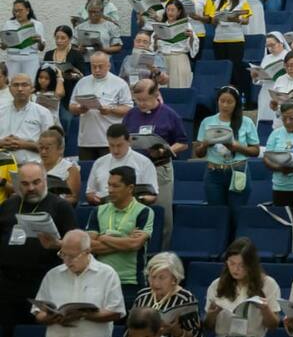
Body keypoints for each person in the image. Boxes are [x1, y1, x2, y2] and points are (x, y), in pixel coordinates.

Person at [0, 163, 77, 337]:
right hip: (7, 285)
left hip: (42, 282)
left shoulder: (60, 206)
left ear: (45, 181)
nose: (31, 188)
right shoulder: (9, 205)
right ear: (18, 184)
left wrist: (57, 244)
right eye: (25, 184)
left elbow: (75, 247)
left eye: (36, 182)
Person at [122, 79, 188, 247]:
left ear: (156, 95)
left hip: (160, 166)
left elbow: (183, 142)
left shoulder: (169, 114)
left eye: (145, 100)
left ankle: (161, 251)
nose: (141, 104)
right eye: (138, 100)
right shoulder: (131, 114)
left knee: (162, 213)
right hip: (136, 169)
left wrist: (166, 150)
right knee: (135, 212)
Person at [86, 166, 154, 307]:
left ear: (130, 188)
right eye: (109, 185)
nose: (110, 190)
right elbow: (90, 246)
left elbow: (135, 245)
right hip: (100, 279)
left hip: (131, 281)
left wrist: (103, 237)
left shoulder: (144, 212)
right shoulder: (98, 210)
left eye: (116, 186)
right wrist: (125, 240)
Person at [194, 84, 260, 208]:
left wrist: (236, 147)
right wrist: (205, 145)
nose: (225, 105)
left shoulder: (246, 122)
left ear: (236, 103)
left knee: (237, 211)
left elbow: (255, 151)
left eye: (230, 102)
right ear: (217, 101)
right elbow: (198, 153)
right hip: (214, 172)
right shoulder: (207, 121)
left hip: (238, 170)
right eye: (222, 101)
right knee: (217, 213)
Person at [132, 251, 203, 337]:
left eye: (162, 278)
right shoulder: (142, 295)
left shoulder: (185, 298)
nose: (155, 282)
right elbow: (129, 329)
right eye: (152, 277)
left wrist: (176, 331)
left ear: (174, 278)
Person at [69, 52, 133, 161]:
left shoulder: (120, 83)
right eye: (94, 67)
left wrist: (111, 109)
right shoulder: (82, 82)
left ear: (108, 66)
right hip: (86, 140)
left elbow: (128, 109)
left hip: (109, 141)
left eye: (100, 66)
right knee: (87, 172)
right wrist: (79, 108)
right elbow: (71, 106)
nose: (97, 70)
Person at [84, 124, 158, 206]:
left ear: (129, 141)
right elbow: (90, 192)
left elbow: (152, 195)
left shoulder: (144, 162)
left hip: (134, 209)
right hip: (105, 208)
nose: (115, 150)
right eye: (111, 145)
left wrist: (136, 200)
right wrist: (93, 198)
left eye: (119, 145)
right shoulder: (99, 162)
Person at [0, 72, 55, 167]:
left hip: (32, 168)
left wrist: (24, 144)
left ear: (32, 88)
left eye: (24, 85)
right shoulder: (1, 110)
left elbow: (51, 147)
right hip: (2, 168)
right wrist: (1, 143)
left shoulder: (43, 113)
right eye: (16, 85)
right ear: (9, 89)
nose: (20, 89)